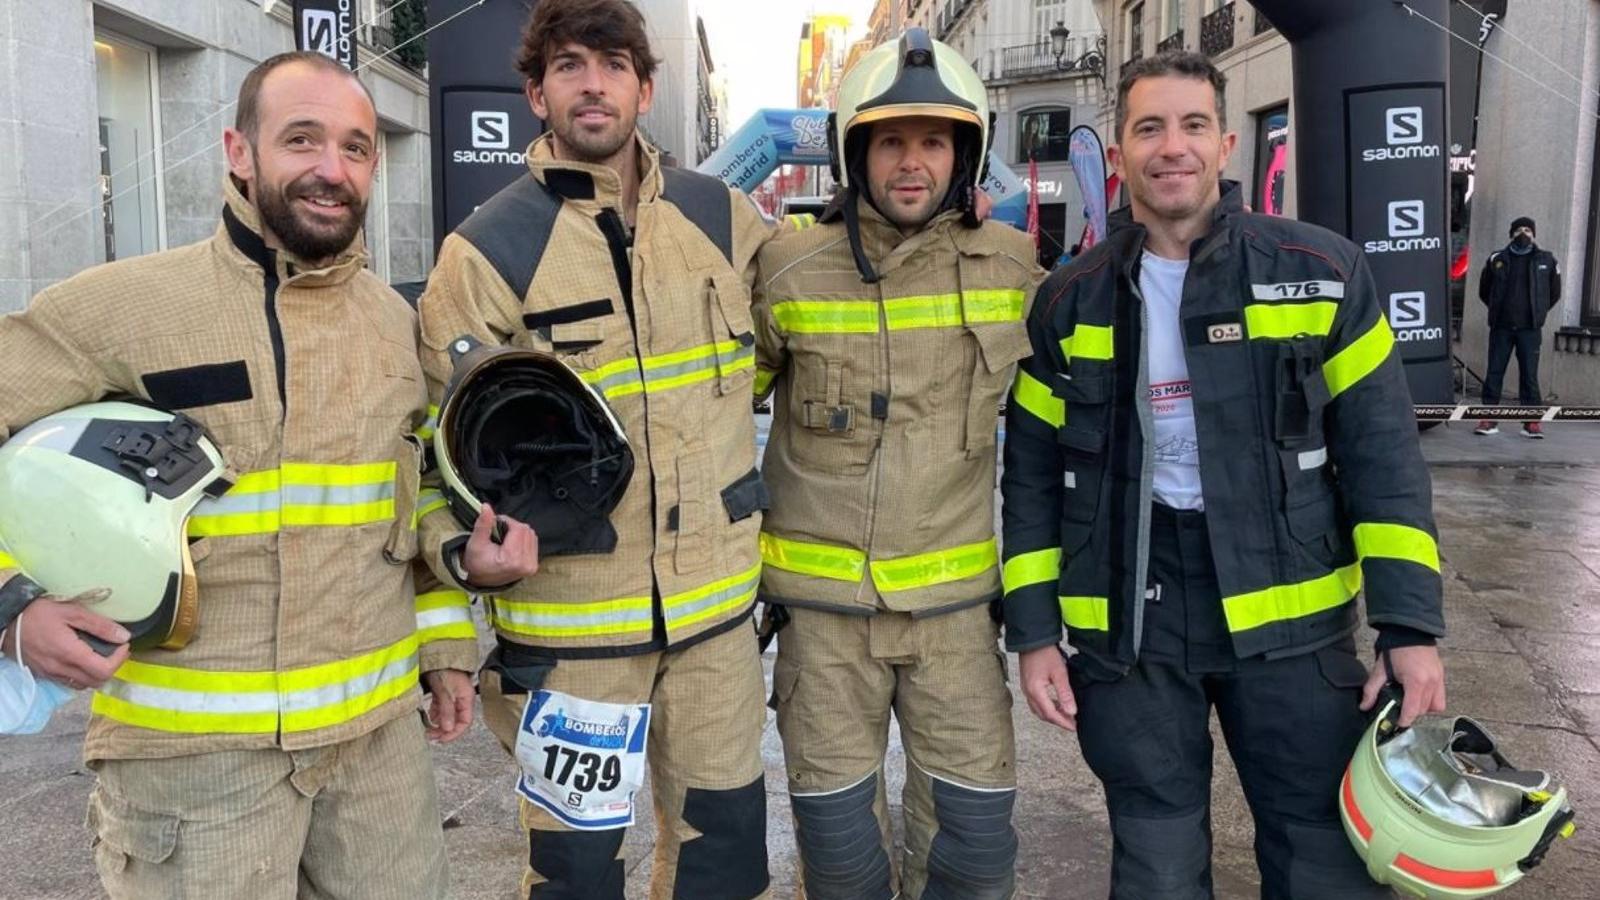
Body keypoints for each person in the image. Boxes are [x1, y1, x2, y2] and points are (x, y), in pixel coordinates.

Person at [0, 51, 489, 898]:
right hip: (194, 774)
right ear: (238, 149)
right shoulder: (126, 307)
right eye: (302, 140)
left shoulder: (393, 324)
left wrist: (447, 647)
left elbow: (416, 502)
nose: (330, 171)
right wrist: (12, 608)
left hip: (375, 762)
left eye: (356, 147)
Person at [1001, 50, 1448, 899]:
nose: (1173, 147)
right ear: (1124, 151)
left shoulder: (1323, 272)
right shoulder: (1067, 301)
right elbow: (1028, 480)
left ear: (1226, 144)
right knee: (1157, 869)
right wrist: (1032, 633)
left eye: (1193, 125)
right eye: (1150, 128)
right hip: (1129, 631)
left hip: (1296, 628)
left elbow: (1385, 461)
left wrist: (1409, 627)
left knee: (1324, 864)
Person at [413, 1, 773, 896]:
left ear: (645, 88)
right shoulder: (484, 252)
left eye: (613, 64)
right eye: (568, 66)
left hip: (715, 631)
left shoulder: (722, 219)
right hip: (572, 645)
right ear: (536, 93)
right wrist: (459, 559)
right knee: (577, 875)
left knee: (723, 863)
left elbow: (807, 340)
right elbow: (429, 446)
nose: (593, 83)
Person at [752, 29, 1046, 900]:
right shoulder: (787, 269)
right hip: (823, 629)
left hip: (957, 624)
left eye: (933, 140)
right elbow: (711, 410)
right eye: (890, 140)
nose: (911, 163)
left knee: (975, 855)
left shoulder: (1015, 265)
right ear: (855, 150)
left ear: (966, 154)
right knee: (841, 864)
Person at [1475, 216, 1561, 438]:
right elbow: (1485, 291)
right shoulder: (1496, 259)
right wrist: (1498, 311)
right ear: (1511, 233)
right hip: (1501, 328)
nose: (1524, 233)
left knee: (1529, 376)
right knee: (1494, 373)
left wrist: (1537, 313)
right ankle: (1488, 420)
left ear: (1534, 234)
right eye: (1519, 230)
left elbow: (1554, 293)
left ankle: (1531, 423)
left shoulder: (1547, 260)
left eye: (1528, 230)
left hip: (1529, 329)